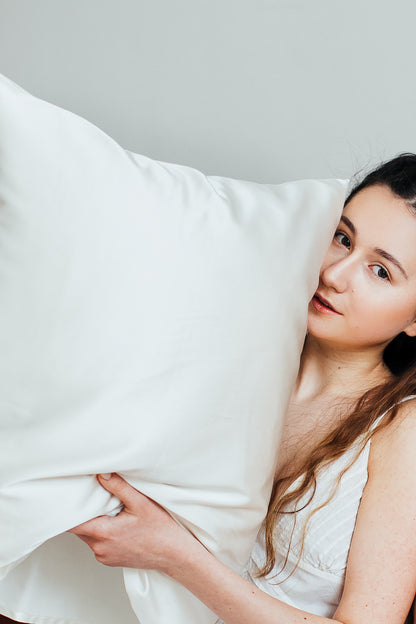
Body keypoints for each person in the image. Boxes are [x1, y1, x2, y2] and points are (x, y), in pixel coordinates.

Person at [71, 154, 416, 624]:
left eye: (381, 272)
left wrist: (177, 557)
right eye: (342, 238)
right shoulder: (236, 350)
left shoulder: (401, 428)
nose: (334, 274)